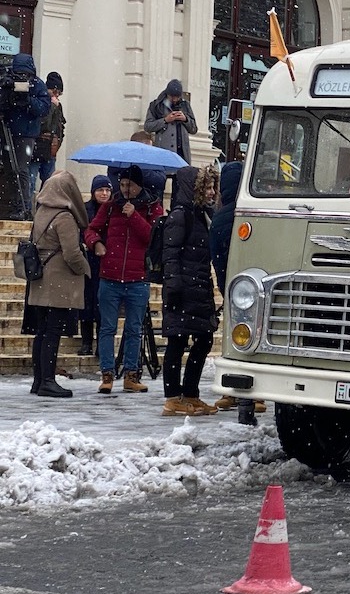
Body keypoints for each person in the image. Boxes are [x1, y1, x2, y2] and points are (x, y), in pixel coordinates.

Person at [84, 164, 163, 394]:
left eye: (130, 185)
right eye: (123, 184)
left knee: (133, 328)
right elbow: (91, 230)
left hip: (137, 277)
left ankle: (131, 374)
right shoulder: (110, 206)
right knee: (107, 327)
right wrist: (96, 244)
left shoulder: (152, 207)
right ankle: (107, 374)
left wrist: (134, 216)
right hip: (110, 275)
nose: (125, 189)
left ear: (139, 186)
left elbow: (152, 237)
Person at [160, 166, 220, 416]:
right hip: (183, 290)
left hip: (198, 288)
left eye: (212, 187)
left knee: (203, 339)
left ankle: (190, 393)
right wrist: (174, 285)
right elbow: (171, 253)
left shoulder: (200, 214)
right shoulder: (180, 215)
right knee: (177, 342)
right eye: (206, 187)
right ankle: (173, 397)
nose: (211, 192)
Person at [25, 172, 90, 398]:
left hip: (41, 279)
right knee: (53, 331)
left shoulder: (41, 212)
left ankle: (38, 380)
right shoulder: (64, 217)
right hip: (58, 281)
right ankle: (48, 380)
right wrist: (86, 268)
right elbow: (72, 254)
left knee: (42, 332)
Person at [208, 161, 264, 419]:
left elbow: (218, 256)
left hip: (234, 287)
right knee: (255, 338)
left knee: (235, 339)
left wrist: (223, 282)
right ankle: (255, 394)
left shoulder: (220, 216)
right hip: (256, 286)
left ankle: (233, 392)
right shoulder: (253, 212)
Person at [1, 54, 51, 220]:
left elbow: (44, 109)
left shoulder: (37, 85)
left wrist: (28, 100)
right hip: (8, 130)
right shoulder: (7, 82)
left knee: (21, 170)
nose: (21, 79)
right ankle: (13, 206)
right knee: (9, 170)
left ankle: (23, 206)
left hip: (27, 134)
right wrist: (8, 94)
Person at [77, 175, 112, 356]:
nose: (104, 194)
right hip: (88, 261)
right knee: (87, 303)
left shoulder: (114, 210)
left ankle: (101, 343)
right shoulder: (85, 210)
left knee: (102, 305)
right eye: (100, 190)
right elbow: (81, 231)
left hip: (106, 262)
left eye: (107, 190)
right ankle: (86, 342)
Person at [143, 79, 197, 165]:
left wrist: (185, 119)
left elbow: (194, 129)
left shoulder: (185, 105)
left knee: (182, 176)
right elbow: (148, 127)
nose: (175, 99)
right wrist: (165, 120)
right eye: (172, 97)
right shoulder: (156, 106)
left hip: (182, 153)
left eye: (177, 97)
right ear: (167, 94)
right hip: (164, 152)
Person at [29, 71, 65, 192]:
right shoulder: (42, 102)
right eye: (55, 92)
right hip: (37, 148)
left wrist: (58, 143)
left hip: (50, 150)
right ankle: (28, 209)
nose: (57, 95)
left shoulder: (58, 106)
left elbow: (60, 127)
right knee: (30, 184)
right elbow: (43, 124)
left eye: (59, 93)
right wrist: (51, 107)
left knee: (49, 186)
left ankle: (44, 209)